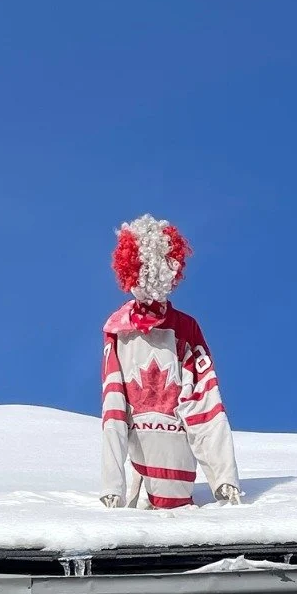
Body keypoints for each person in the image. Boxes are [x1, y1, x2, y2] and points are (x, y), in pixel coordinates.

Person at [100, 214, 241, 511]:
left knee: (177, 530)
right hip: (139, 464)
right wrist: (112, 483)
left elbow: (205, 400)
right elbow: (113, 408)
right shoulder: (117, 330)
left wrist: (223, 475)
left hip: (178, 463)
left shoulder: (185, 328)